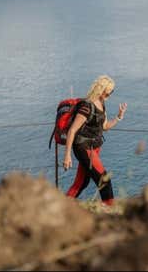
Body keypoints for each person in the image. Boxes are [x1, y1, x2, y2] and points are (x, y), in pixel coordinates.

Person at [63, 75, 128, 205]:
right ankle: (110, 212)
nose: (110, 94)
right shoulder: (87, 107)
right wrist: (67, 156)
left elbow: (105, 127)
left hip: (94, 148)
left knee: (81, 183)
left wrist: (119, 117)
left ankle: (61, 207)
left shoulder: (102, 104)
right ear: (102, 89)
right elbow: (72, 131)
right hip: (84, 148)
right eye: (109, 91)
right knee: (105, 181)